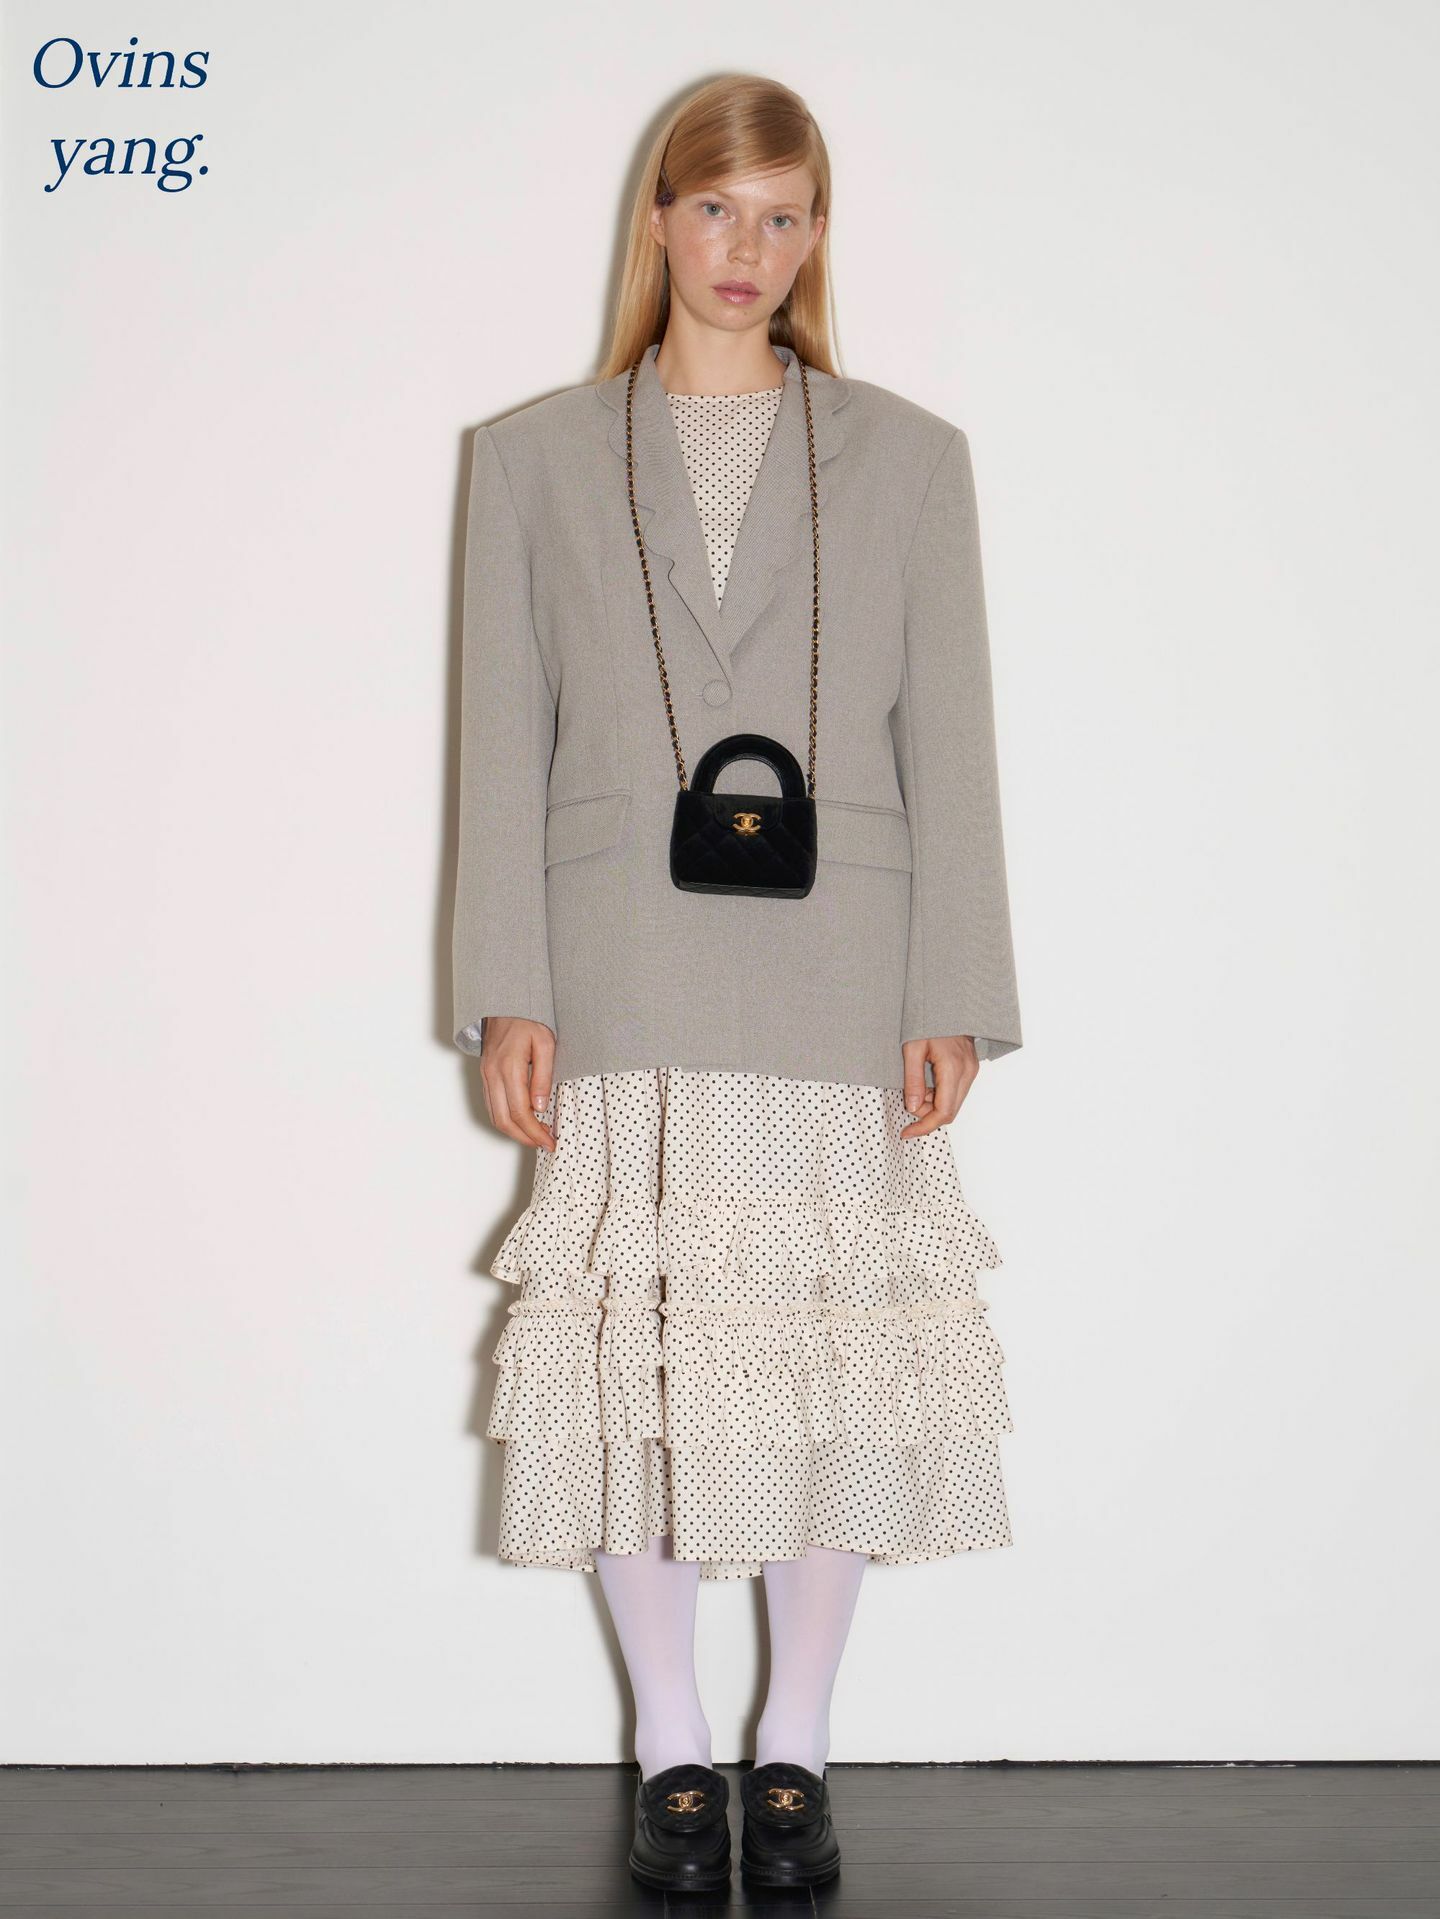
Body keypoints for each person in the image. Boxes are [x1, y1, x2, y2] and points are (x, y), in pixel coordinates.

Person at [451, 72, 1023, 1895]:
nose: (745, 249)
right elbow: (500, 746)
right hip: (616, 959)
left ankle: (799, 1750)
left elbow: (955, 744)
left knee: (821, 1365)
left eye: (782, 216)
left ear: (816, 237)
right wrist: (505, 984)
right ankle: (673, 1748)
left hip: (844, 964)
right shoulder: (532, 459)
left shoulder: (911, 458)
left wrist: (955, 988)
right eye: (716, 209)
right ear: (659, 220)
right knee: (643, 1365)